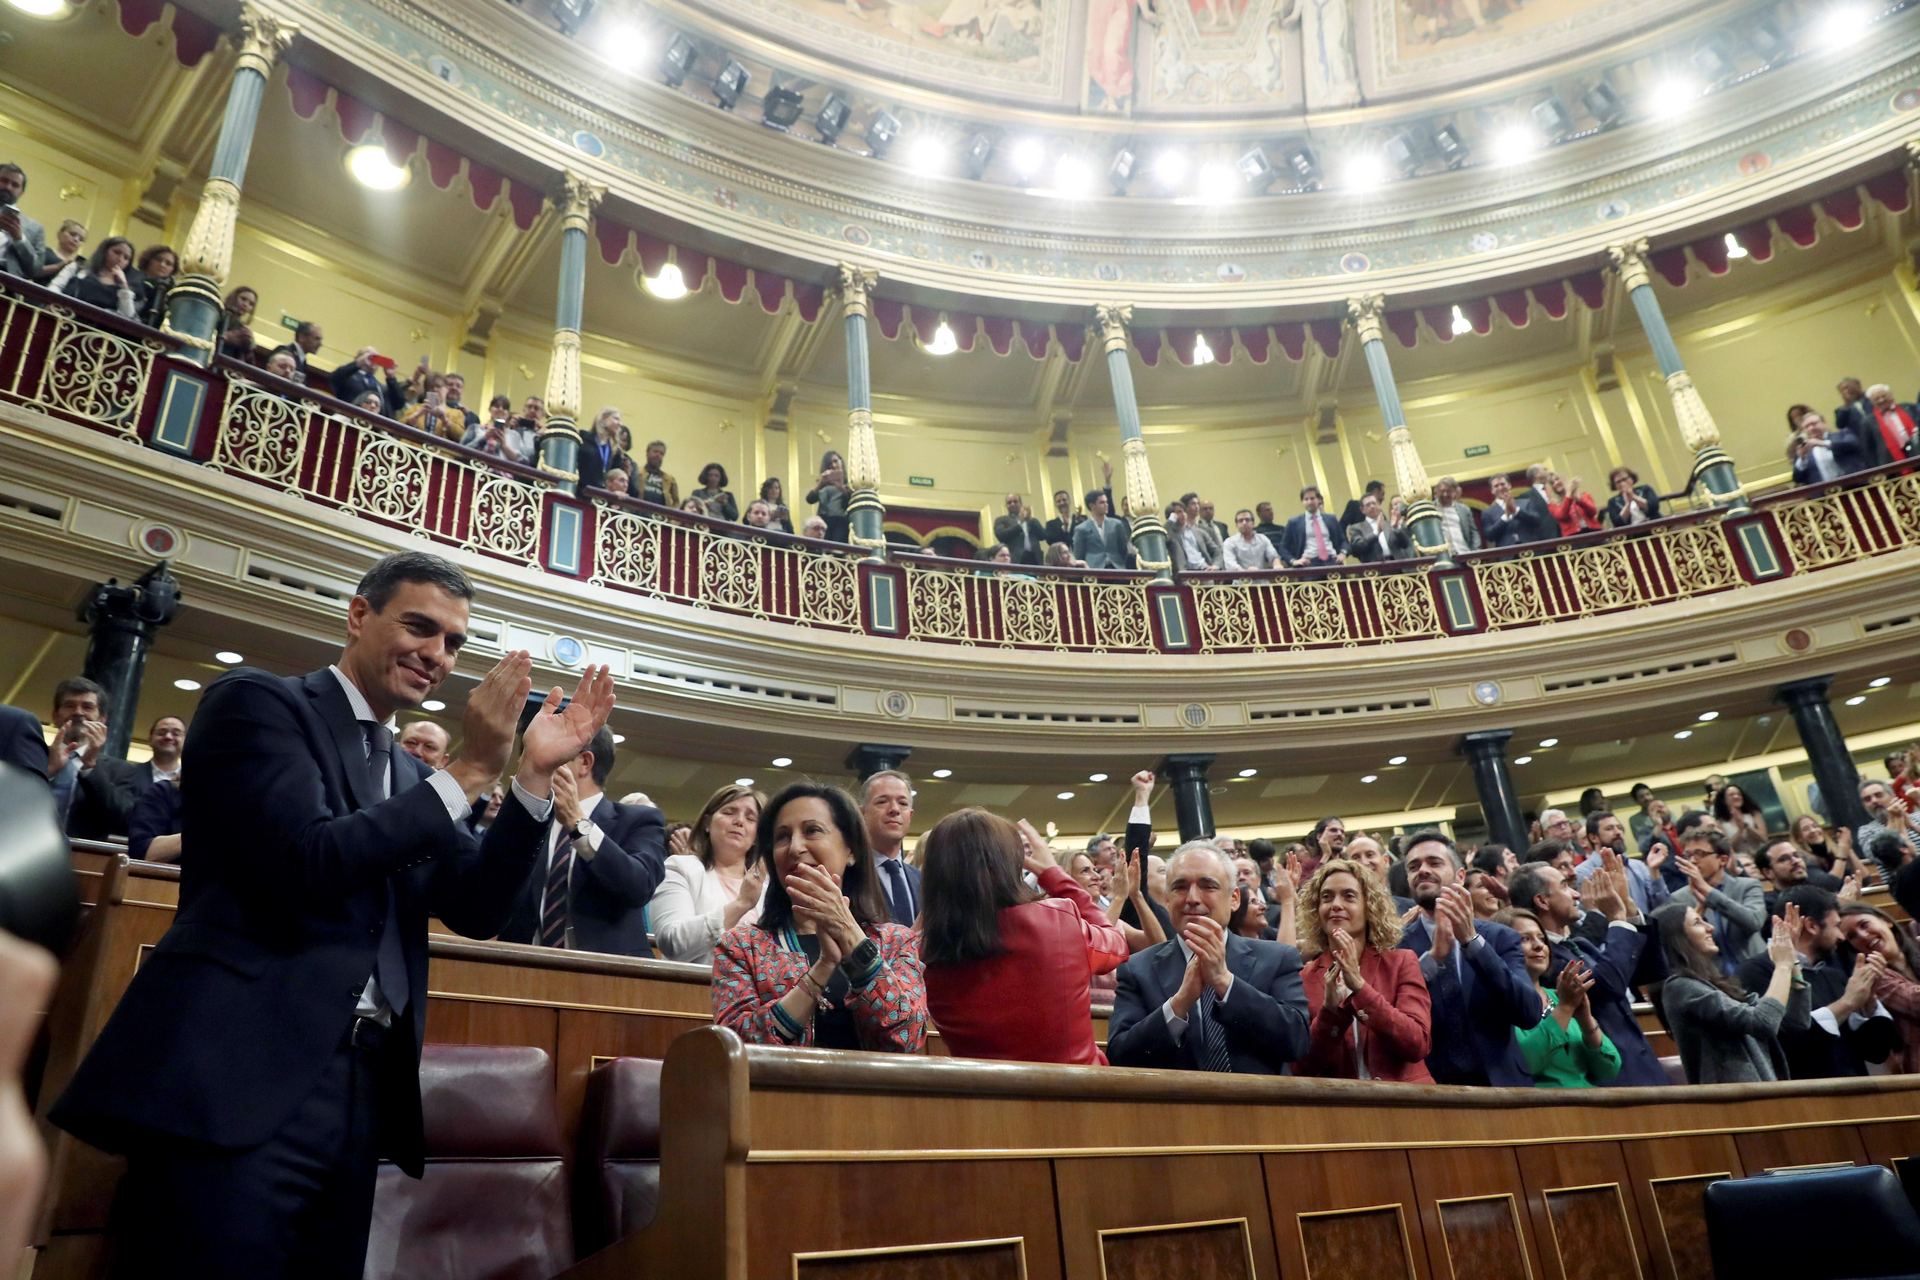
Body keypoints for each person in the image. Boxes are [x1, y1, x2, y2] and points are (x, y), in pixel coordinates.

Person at [50, 551, 615, 1277]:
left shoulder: (413, 776)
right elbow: (306, 862)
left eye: (453, 643)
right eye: (420, 627)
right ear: (358, 615)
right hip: (237, 1079)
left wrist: (532, 777)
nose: (437, 655)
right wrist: (473, 768)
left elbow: (477, 908)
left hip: (361, 1093)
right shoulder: (259, 704)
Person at [711, 782, 927, 1051]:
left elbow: (907, 1035)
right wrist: (822, 969)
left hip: (871, 1092)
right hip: (776, 1092)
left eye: (812, 831)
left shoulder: (896, 941)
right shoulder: (741, 946)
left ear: (851, 850)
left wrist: (848, 930)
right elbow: (734, 1045)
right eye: (782, 836)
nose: (795, 847)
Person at [919, 809, 1128, 1064]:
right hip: (1078, 1096)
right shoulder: (1057, 921)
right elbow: (1116, 944)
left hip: (983, 1100)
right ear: (1009, 863)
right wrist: (1053, 873)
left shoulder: (926, 952)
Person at [1105, 840, 1311, 1073]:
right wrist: (1178, 1004)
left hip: (1258, 1106)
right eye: (1180, 887)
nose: (1192, 897)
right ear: (1167, 899)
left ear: (1234, 899)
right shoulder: (1136, 969)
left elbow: (1297, 1042)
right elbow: (1120, 1056)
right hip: (1173, 1107)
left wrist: (1225, 982)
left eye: (1208, 886)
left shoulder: (1277, 958)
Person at [498, 727, 666, 957]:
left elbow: (638, 886)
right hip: (523, 974)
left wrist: (579, 824)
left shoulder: (638, 820)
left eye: (543, 752)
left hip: (609, 978)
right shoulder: (530, 822)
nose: (523, 762)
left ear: (584, 762)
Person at [1505, 852, 1666, 1085]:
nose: (1577, 894)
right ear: (1542, 901)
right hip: (1605, 1075)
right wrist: (1617, 917)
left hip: (1640, 1063)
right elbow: (1609, 986)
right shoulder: (1543, 962)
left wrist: (1629, 908)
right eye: (1565, 886)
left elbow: (1649, 972)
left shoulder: (1579, 944)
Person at [1397, 831, 1541, 1085]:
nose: (1422, 870)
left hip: (1505, 1087)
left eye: (1434, 862)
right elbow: (1394, 1017)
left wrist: (1473, 943)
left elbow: (1528, 1012)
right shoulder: (1395, 946)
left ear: (1460, 876)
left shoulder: (1501, 938)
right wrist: (1430, 962)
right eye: (1414, 866)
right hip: (1433, 1093)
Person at [1736, 884, 1896, 1079]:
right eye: (1836, 926)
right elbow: (1791, 1045)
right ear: (1812, 926)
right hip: (1808, 1101)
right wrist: (1848, 1002)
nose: (1841, 936)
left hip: (1858, 1093)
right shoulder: (1755, 972)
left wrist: (1869, 1002)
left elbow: (1876, 1052)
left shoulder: (1833, 975)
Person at [1294, 859, 1432, 1081]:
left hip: (1407, 1105)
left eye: (1349, 896)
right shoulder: (1304, 978)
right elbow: (1302, 1067)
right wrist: (1330, 1011)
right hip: (1340, 1108)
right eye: (1326, 897)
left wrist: (1360, 988)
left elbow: (1417, 1043)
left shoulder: (1402, 962)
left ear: (1369, 908)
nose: (1336, 905)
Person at [1655, 900, 1809, 1083]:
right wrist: (1782, 965)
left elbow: (1796, 1022)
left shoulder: (1716, 983)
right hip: (1732, 1103)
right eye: (1698, 923)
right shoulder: (1680, 987)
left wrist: (1792, 962)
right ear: (1676, 939)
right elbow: (1763, 1022)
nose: (1710, 927)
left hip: (1760, 1095)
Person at [1498, 908, 1620, 1088]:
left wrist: (1585, 1020)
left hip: (1590, 1105)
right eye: (1525, 939)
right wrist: (1565, 1009)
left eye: (1541, 938)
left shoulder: (1559, 996)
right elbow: (1527, 1064)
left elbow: (1609, 1069)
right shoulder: (1499, 1004)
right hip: (1544, 1111)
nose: (1539, 946)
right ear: (1501, 947)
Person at [650, 784, 766, 964]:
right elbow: (672, 943)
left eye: (750, 818)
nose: (739, 821)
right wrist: (741, 904)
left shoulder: (767, 888)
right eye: (729, 812)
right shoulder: (680, 868)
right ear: (706, 823)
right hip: (695, 988)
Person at [43, 677, 148, 841]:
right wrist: (48, 772)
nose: (78, 712)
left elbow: (125, 821)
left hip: (84, 858)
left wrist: (90, 767)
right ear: (55, 716)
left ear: (101, 720)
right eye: (70, 705)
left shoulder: (121, 770)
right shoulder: (32, 755)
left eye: (87, 706)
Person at [1668, 828, 1768, 969]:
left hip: (1756, 969)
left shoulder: (1748, 886)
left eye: (1699, 854)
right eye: (1687, 855)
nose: (1692, 861)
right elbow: (1682, 944)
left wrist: (1709, 892)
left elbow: (1753, 922)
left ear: (1722, 859)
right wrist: (1700, 909)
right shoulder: (1679, 898)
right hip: (1716, 977)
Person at [1842, 903, 1920, 1074]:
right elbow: (1915, 1003)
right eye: (1852, 936)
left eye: (1864, 925)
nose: (1863, 936)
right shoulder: (1875, 977)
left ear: (1886, 921)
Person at [861, 769, 918, 926]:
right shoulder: (849, 876)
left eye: (903, 803)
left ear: (910, 816)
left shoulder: (923, 882)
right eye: (882, 801)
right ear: (862, 813)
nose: (894, 809)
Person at [50, 236, 139, 319]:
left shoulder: (123, 288)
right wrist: (55, 305)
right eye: (116, 252)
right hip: (62, 317)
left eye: (126, 258)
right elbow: (55, 286)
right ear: (104, 251)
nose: (120, 259)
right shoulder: (78, 267)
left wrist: (124, 286)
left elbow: (128, 316)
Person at [1480, 473, 1557, 546]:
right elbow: (1489, 536)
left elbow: (1537, 520)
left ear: (1509, 485)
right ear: (1492, 490)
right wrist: (1505, 517)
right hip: (1508, 555)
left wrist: (1516, 511)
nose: (1500, 488)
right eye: (1496, 486)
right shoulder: (1487, 512)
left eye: (1503, 484)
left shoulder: (1526, 502)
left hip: (1532, 549)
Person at [0, 162, 47, 279]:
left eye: (15, 185)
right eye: (4, 180)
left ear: (21, 192)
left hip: (5, 285)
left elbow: (35, 270)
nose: (8, 187)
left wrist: (19, 238)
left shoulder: (35, 228)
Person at [1280, 485, 1345, 567]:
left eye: (1312, 498)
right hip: (1309, 563)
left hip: (1332, 560)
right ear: (1302, 502)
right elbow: (1283, 548)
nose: (1309, 502)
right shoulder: (1294, 522)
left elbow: (1343, 541)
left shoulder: (1331, 519)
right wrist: (1293, 561)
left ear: (1319, 500)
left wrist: (1343, 554)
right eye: (1306, 499)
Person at [1071, 488, 1133, 569]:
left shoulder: (1116, 524)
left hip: (1117, 567)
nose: (1106, 505)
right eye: (1102, 502)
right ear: (1092, 506)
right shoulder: (1081, 529)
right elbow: (1079, 555)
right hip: (1094, 569)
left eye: (1106, 502)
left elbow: (1123, 549)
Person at [462, 396, 534, 464]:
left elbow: (524, 462)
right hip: (475, 472)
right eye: (496, 406)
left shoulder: (515, 435)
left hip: (503, 475)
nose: (500, 409)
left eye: (505, 408)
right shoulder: (475, 428)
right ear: (490, 409)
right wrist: (485, 438)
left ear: (508, 414)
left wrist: (504, 446)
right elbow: (460, 452)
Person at [1342, 492, 1411, 564]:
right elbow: (1357, 548)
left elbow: (1405, 544)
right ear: (1362, 510)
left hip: (1398, 566)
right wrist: (1376, 533)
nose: (1372, 506)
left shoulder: (1389, 524)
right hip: (1376, 570)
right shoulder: (1356, 528)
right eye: (1368, 504)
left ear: (1379, 505)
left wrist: (1396, 528)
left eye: (1374, 503)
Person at [1431, 477, 1483, 555]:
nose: (1445, 494)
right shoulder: (1430, 509)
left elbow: (1474, 532)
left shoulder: (1464, 509)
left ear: (1454, 492)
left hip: (1464, 553)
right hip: (1443, 557)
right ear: (1436, 491)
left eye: (1448, 491)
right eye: (1442, 491)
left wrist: (1475, 551)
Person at [806, 451, 850, 543]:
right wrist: (820, 483)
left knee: (837, 548)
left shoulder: (849, 484)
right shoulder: (823, 484)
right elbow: (809, 499)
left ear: (841, 461)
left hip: (841, 522)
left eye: (835, 461)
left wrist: (840, 486)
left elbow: (850, 500)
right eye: (830, 464)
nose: (833, 465)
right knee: (824, 547)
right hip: (824, 520)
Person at [993, 493, 1048, 565]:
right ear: (1006, 506)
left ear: (1021, 503)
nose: (1012, 504)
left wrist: (1031, 521)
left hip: (1035, 559)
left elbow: (1043, 536)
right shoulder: (1001, 520)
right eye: (1009, 503)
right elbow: (1001, 536)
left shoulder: (1032, 521)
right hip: (1015, 559)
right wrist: (1020, 524)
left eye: (1015, 501)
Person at [1714, 782, 1768, 854]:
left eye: (1739, 794)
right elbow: (1726, 848)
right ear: (1724, 800)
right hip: (1739, 860)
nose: (1736, 797)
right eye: (1731, 795)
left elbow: (1764, 839)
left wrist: (1747, 826)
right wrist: (1740, 831)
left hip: (1759, 855)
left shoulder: (1754, 813)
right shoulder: (1720, 822)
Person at [1543, 470, 1601, 536]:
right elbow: (1562, 515)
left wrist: (1579, 499)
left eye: (1557, 479)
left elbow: (1593, 511)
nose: (1556, 483)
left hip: (1594, 532)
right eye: (1552, 483)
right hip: (1574, 537)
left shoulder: (1584, 495)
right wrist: (1569, 495)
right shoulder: (1552, 504)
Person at [129, 244, 175, 326]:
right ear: (149, 260)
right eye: (158, 259)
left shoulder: (171, 293)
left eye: (168, 263)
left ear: (172, 270)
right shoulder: (132, 277)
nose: (162, 265)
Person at [34, 217, 85, 284]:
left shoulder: (79, 266)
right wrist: (58, 266)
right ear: (59, 234)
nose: (76, 239)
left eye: (81, 239)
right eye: (72, 234)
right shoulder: (45, 252)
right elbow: (33, 272)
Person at [218, 285, 258, 361]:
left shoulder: (243, 330)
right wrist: (225, 337)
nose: (246, 304)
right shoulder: (217, 314)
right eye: (243, 299)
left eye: (251, 304)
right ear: (234, 297)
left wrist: (249, 345)